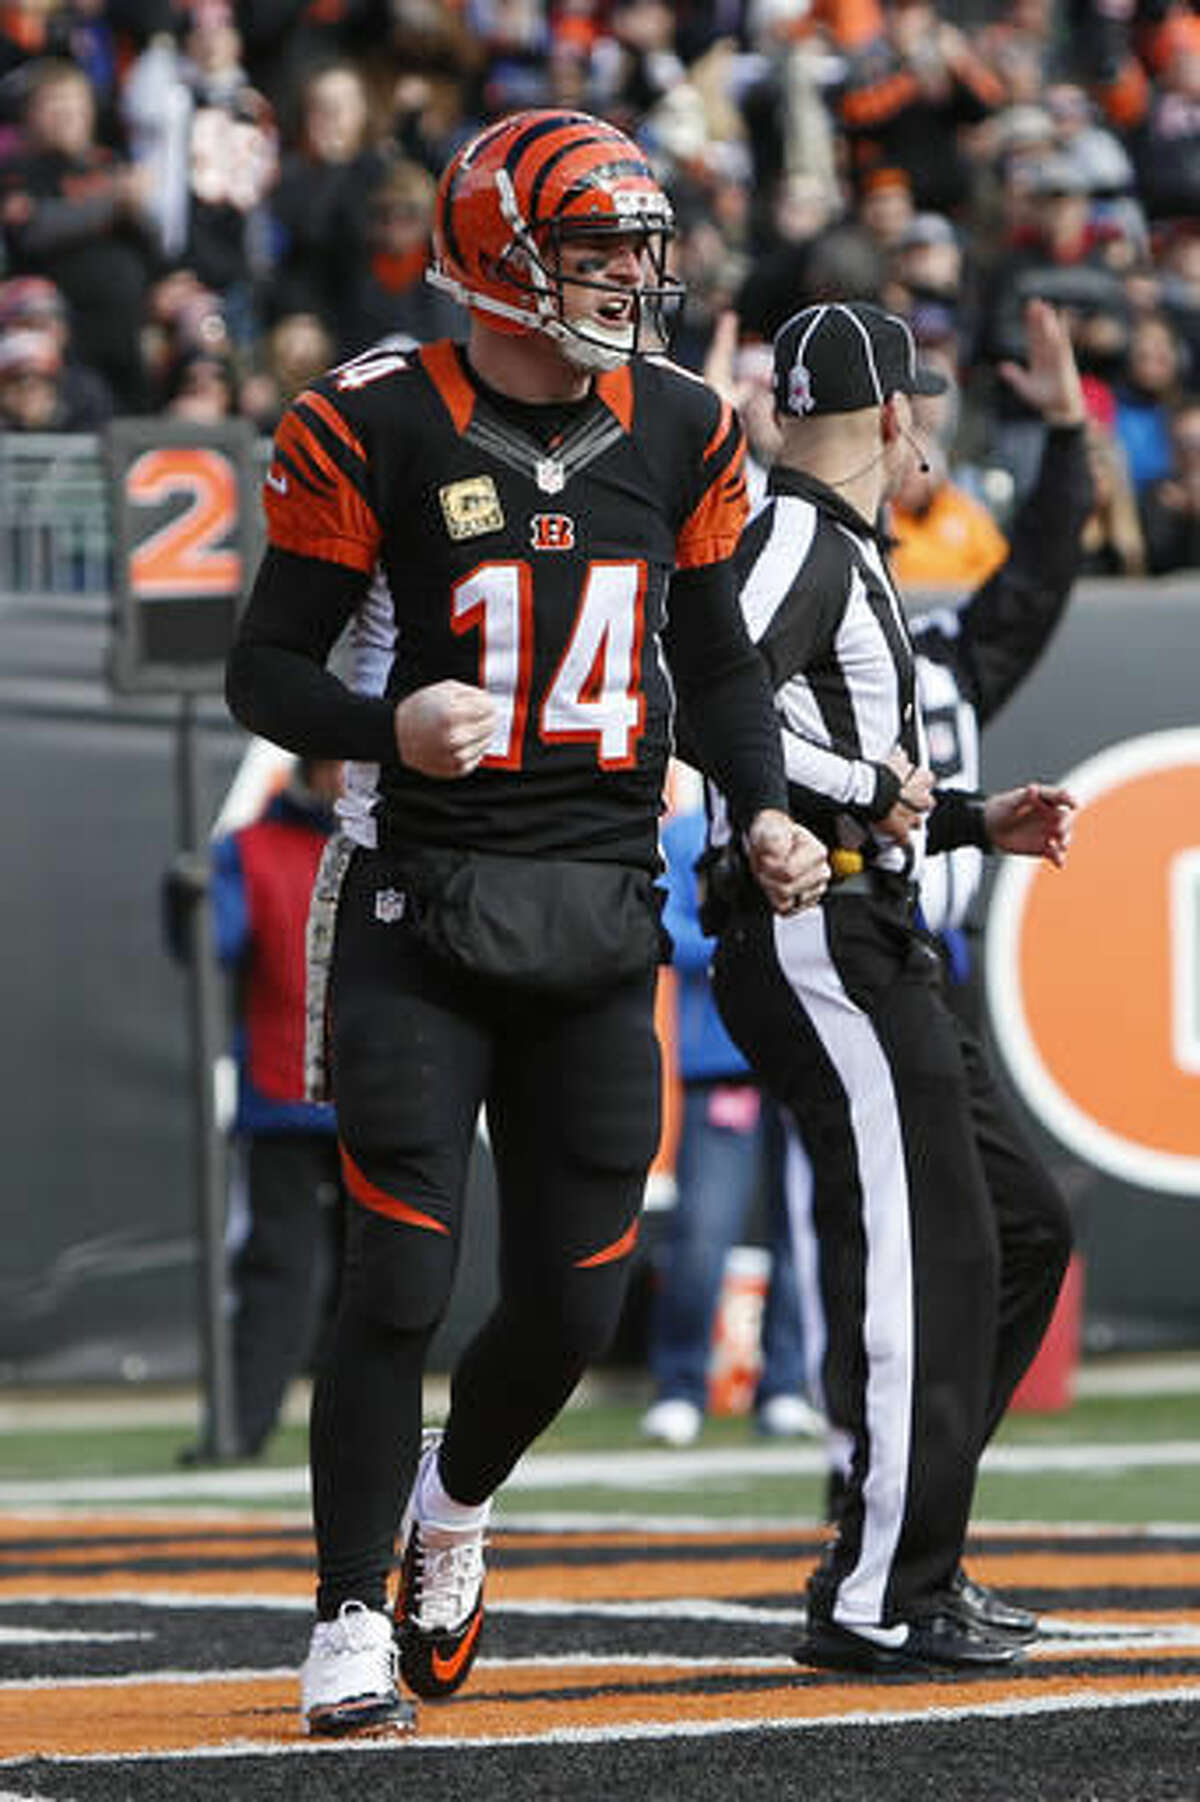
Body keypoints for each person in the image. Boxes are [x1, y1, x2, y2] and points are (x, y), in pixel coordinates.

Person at [224, 106, 829, 1737]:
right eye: (600, 248)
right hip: (416, 887)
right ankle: (348, 1612)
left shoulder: (688, 424)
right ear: (501, 256)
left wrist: (764, 801)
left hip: (600, 896)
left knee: (575, 1294)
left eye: (644, 244)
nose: (636, 273)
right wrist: (383, 726)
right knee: (400, 1270)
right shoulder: (373, 422)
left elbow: (713, 661)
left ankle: (455, 1503)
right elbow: (261, 669)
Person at [703, 297, 1079, 1676]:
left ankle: (904, 1536)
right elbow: (711, 680)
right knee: (937, 1249)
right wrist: (867, 792)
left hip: (873, 918)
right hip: (817, 931)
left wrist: (976, 820)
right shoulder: (801, 532)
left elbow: (830, 741)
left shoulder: (831, 540)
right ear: (897, 418)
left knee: (1019, 1230)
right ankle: (879, 1588)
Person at [640, 799, 823, 1449]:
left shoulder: (813, 823)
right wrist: (748, 940)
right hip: (723, 1063)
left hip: (805, 1055)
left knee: (801, 1234)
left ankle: (787, 1387)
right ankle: (681, 1386)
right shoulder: (688, 833)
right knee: (703, 1232)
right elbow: (666, 929)